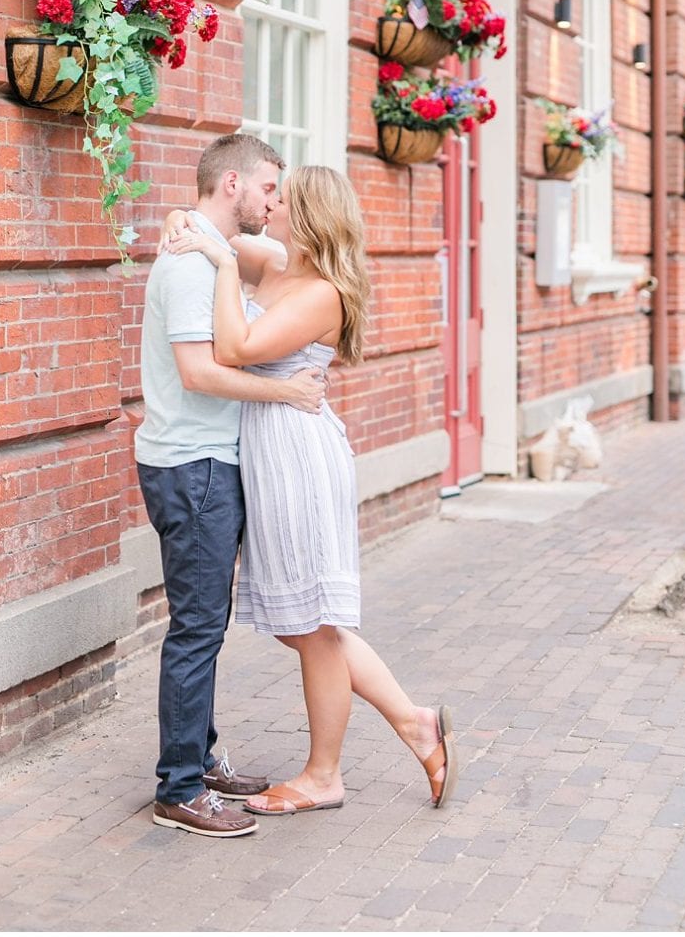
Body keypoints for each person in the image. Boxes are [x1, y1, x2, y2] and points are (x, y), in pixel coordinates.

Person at [163, 164, 457, 815]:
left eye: (284, 199)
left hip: (299, 457)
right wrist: (185, 224)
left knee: (316, 626)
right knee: (306, 624)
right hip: (270, 453)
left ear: (312, 216)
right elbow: (209, 227)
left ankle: (325, 774)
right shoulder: (275, 260)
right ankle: (414, 721)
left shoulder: (321, 291)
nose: (272, 203)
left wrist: (218, 262)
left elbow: (236, 346)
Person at [138, 133, 329, 839]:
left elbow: (275, 261)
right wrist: (285, 396)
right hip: (193, 466)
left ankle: (203, 757)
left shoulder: (209, 252)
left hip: (205, 462)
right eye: (269, 188)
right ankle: (179, 787)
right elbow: (199, 373)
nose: (274, 201)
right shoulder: (190, 266)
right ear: (232, 186)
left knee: (204, 623)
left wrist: (195, 229)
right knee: (196, 628)